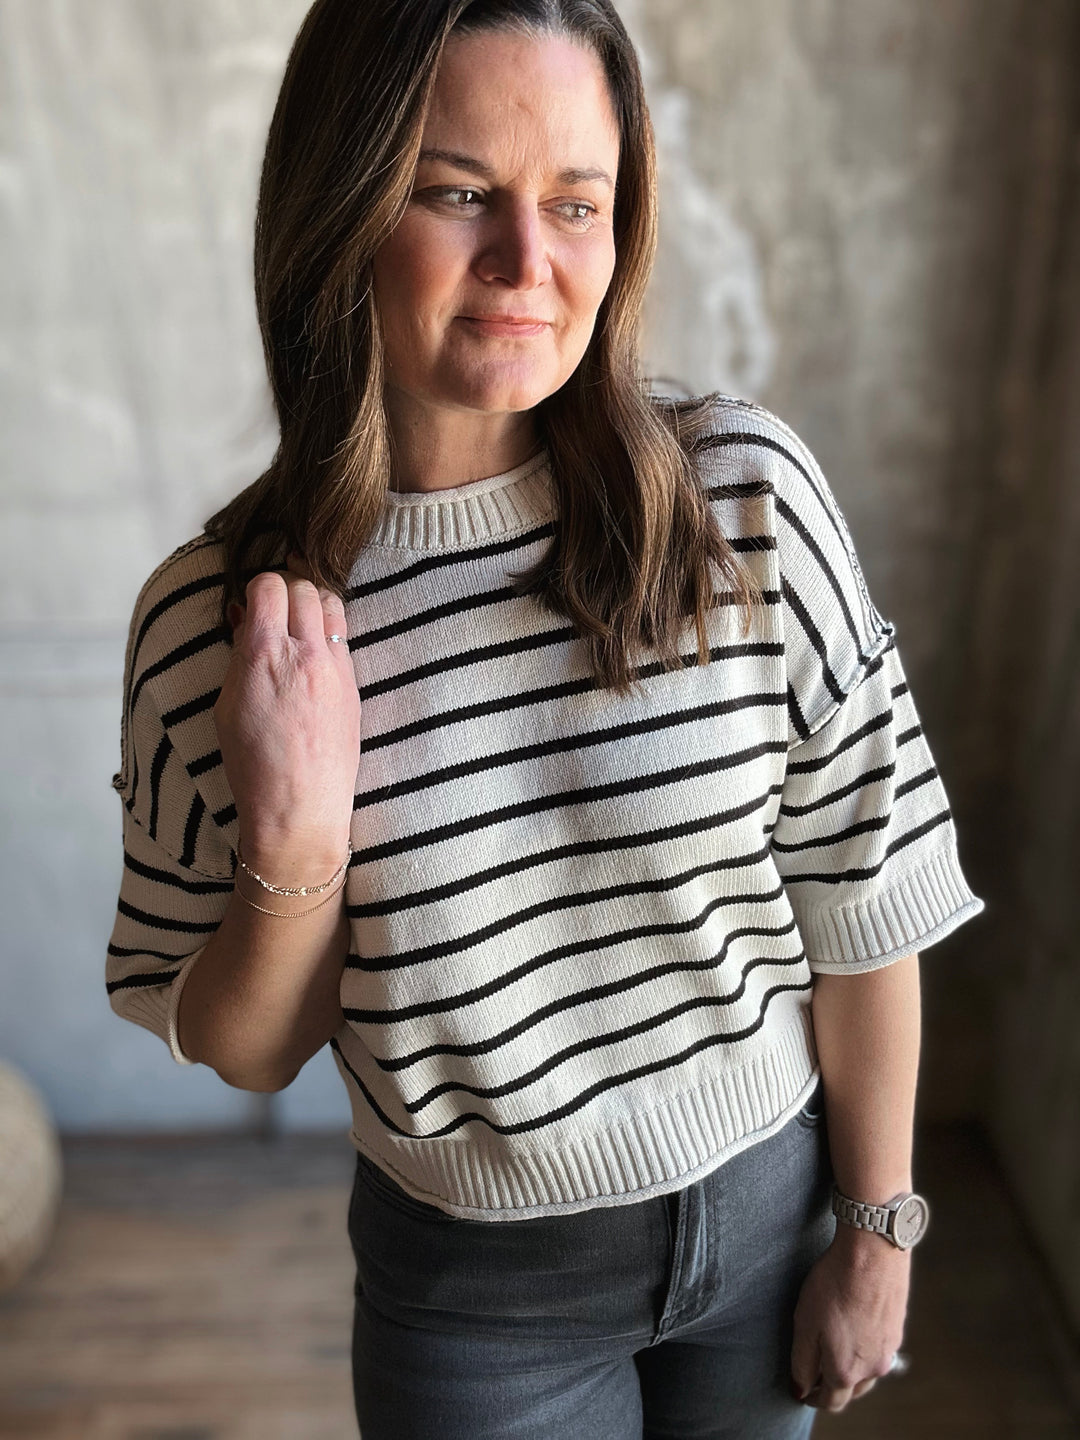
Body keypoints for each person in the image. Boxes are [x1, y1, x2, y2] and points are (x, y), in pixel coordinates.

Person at [105, 2, 984, 1436]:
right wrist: (300, 844)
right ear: (340, 203)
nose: (530, 265)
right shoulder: (218, 624)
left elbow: (866, 893)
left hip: (774, 1224)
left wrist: (879, 1235)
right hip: (474, 1302)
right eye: (459, 194)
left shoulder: (739, 497)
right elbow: (251, 1047)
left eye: (577, 203)